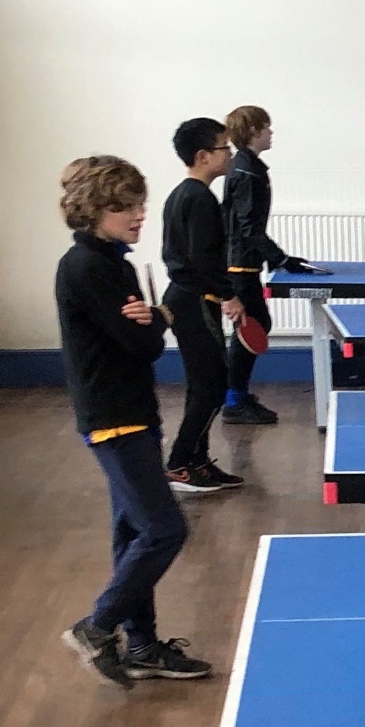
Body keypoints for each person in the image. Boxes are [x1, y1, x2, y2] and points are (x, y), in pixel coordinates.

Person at [55, 154, 211, 687]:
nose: (139, 215)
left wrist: (150, 319)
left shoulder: (112, 262)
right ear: (94, 210)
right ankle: (97, 626)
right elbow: (142, 344)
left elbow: (139, 337)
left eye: (140, 204)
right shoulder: (90, 268)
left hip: (131, 412)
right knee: (164, 530)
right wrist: (161, 318)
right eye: (125, 207)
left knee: (131, 534)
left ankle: (142, 644)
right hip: (114, 417)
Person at [220, 104, 318, 426]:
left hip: (243, 263)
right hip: (240, 266)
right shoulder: (246, 171)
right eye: (267, 127)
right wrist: (281, 259)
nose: (271, 132)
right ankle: (233, 401)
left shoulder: (248, 166)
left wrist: (278, 258)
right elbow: (248, 227)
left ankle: (238, 394)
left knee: (253, 326)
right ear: (253, 132)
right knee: (252, 327)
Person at [162, 117, 244, 493]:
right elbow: (201, 260)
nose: (229, 154)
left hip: (190, 297)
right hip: (195, 300)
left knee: (205, 384)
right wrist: (229, 294)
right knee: (212, 385)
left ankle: (197, 462)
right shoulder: (197, 198)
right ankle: (180, 463)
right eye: (224, 148)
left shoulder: (184, 194)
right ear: (202, 156)